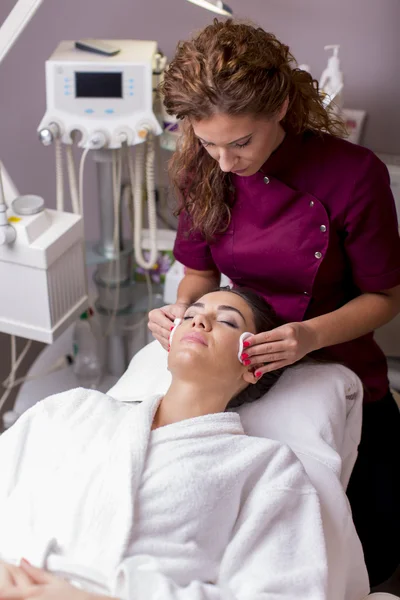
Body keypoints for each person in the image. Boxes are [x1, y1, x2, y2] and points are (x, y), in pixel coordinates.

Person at [148, 19, 400, 587]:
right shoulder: (200, 168)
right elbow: (197, 275)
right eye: (208, 142)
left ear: (282, 107)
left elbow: (385, 297)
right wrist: (181, 310)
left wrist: (308, 336)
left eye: (241, 142)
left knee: (375, 540)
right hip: (238, 351)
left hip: (337, 350)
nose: (225, 162)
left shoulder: (354, 175)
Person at [0, 289, 330, 600]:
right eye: (190, 316)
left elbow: (283, 591)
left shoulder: (264, 466)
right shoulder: (73, 409)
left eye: (228, 321)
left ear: (254, 365)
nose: (200, 322)